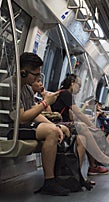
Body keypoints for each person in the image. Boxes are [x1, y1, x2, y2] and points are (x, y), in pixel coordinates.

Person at [0, 52, 71, 196]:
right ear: (23, 72)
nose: (37, 78)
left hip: (19, 127)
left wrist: (56, 126)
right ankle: (49, 181)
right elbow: (21, 118)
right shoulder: (11, 87)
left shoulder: (26, 87)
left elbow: (34, 112)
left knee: (60, 128)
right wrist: (45, 103)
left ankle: (61, 176)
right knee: (51, 132)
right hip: (9, 130)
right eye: (35, 75)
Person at [51, 74, 109, 176]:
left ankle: (92, 166)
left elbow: (71, 115)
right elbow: (78, 113)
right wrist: (92, 125)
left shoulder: (64, 95)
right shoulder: (66, 94)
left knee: (87, 136)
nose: (80, 88)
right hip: (58, 125)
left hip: (63, 123)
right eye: (79, 85)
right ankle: (99, 159)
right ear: (72, 84)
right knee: (91, 131)